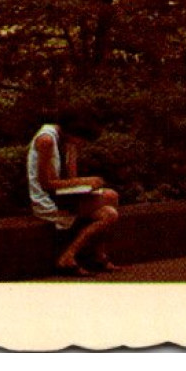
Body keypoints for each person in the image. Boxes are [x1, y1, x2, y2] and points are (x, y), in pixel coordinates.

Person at [27, 108, 121, 276]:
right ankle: (75, 256)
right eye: (81, 139)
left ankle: (88, 256)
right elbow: (46, 183)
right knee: (110, 204)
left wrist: (72, 155)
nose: (81, 143)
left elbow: (70, 178)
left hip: (63, 195)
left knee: (110, 209)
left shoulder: (67, 142)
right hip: (47, 199)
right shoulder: (47, 140)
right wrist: (85, 181)